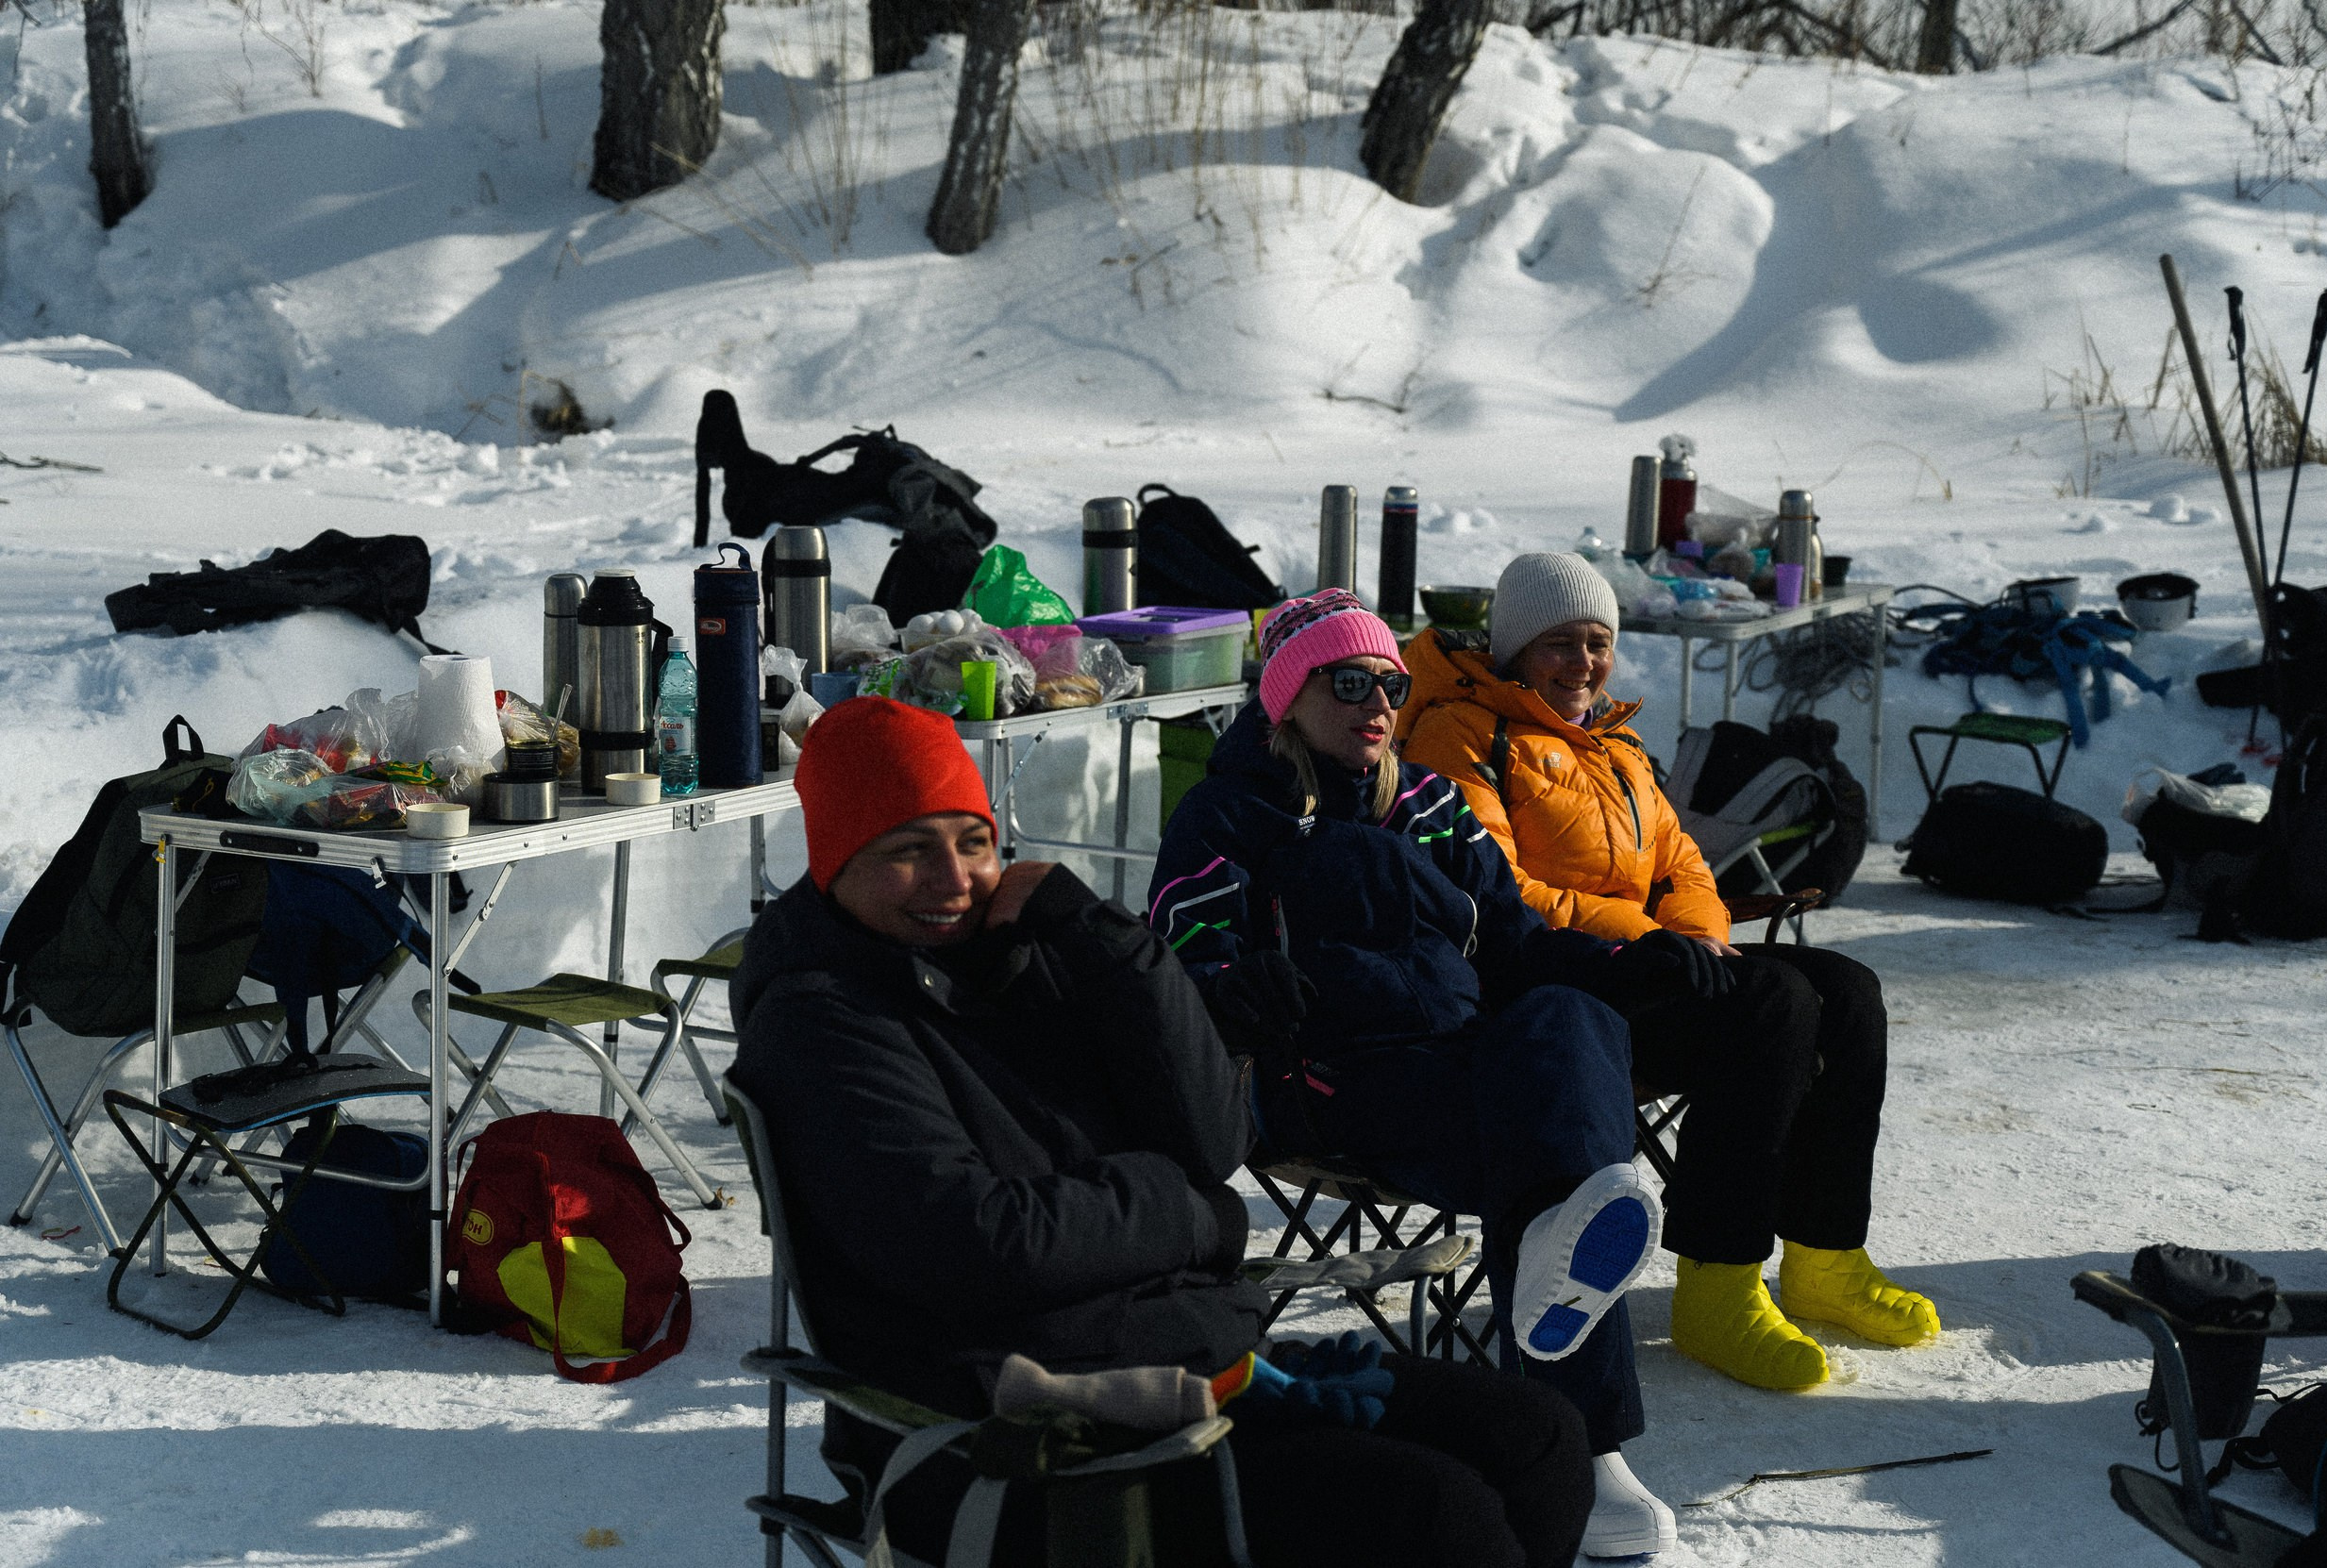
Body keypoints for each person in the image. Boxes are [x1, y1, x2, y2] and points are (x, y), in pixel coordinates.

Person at [729, 695, 1596, 1568]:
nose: (954, 879)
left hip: (1184, 1365)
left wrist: (1111, 946)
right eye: (910, 851)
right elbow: (984, 1241)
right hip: (1014, 1436)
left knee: (1540, 1439)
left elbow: (1213, 1142)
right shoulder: (822, 1024)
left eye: (974, 842)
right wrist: (1193, 1217)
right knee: (1432, 1517)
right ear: (836, 861)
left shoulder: (1022, 959)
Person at [1147, 590, 1699, 1560]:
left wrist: (1627, 962)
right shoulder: (1224, 816)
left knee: (1573, 1017)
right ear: (1286, 697)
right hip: (1325, 1086)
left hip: (1458, 1069)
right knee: (1551, 1156)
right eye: (1348, 681)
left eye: (1392, 687)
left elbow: (1521, 944)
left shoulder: (1429, 805)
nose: (1376, 704)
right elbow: (1173, 961)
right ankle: (1594, 1449)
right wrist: (1231, 981)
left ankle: (1562, 1317)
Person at [1397, 550, 1939, 1394]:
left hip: (1646, 961)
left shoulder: (1612, 740)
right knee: (1773, 1005)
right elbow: (1499, 893)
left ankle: (1826, 1257)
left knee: (1847, 990)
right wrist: (1647, 938)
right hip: (1545, 987)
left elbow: (1680, 856)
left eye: (1598, 642)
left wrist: (1692, 933)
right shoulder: (1461, 735)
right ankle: (1719, 1287)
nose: (1584, 663)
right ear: (1513, 649)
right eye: (1560, 644)